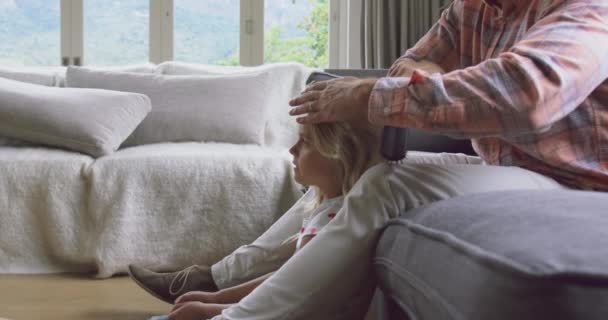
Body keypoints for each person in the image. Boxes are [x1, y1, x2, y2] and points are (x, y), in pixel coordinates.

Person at [136, 0, 607, 319]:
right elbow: (409, 67)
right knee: (366, 177)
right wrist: (424, 79)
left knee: (388, 185)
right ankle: (219, 278)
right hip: (504, 167)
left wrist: (369, 95)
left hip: (571, 185)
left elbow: (524, 95)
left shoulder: (586, 13)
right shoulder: (472, 10)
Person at [130, 120, 382, 319]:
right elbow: (286, 277)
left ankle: (208, 281)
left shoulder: (333, 221)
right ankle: (210, 281)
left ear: (341, 155)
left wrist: (217, 309)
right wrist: (218, 299)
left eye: (305, 142)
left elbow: (295, 299)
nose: (292, 149)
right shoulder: (329, 209)